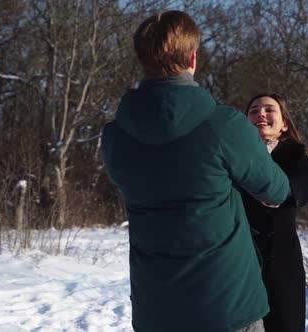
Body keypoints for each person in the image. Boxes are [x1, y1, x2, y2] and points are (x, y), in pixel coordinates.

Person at [100, 11, 290, 332]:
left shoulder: (115, 135)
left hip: (156, 310)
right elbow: (276, 191)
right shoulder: (225, 124)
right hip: (227, 308)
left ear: (144, 59)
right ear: (192, 57)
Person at [242, 94, 308, 332]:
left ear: (284, 124)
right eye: (253, 110)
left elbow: (300, 191)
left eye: (269, 109)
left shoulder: (297, 154)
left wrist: (277, 193)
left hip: (281, 258)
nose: (260, 114)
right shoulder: (232, 156)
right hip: (237, 259)